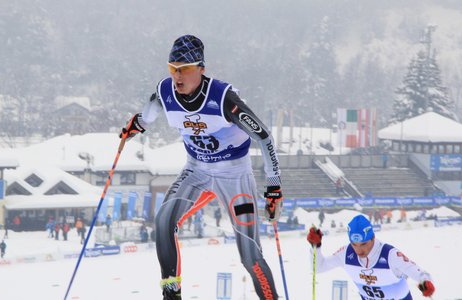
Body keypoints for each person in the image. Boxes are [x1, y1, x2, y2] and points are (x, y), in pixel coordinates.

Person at [119, 34, 283, 300]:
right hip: (196, 170)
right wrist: (135, 126)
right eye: (172, 69)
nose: (177, 76)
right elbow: (147, 115)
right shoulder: (165, 91)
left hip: (234, 176)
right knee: (163, 221)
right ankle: (171, 294)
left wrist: (274, 186)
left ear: (201, 69)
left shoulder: (222, 98)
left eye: (184, 69)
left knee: (250, 255)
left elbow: (263, 136)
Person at [306, 215, 435, 299]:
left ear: (373, 238)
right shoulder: (346, 254)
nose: (359, 250)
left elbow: (418, 273)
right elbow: (318, 268)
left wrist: (426, 283)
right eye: (354, 244)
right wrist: (315, 247)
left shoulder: (389, 254)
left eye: (364, 244)